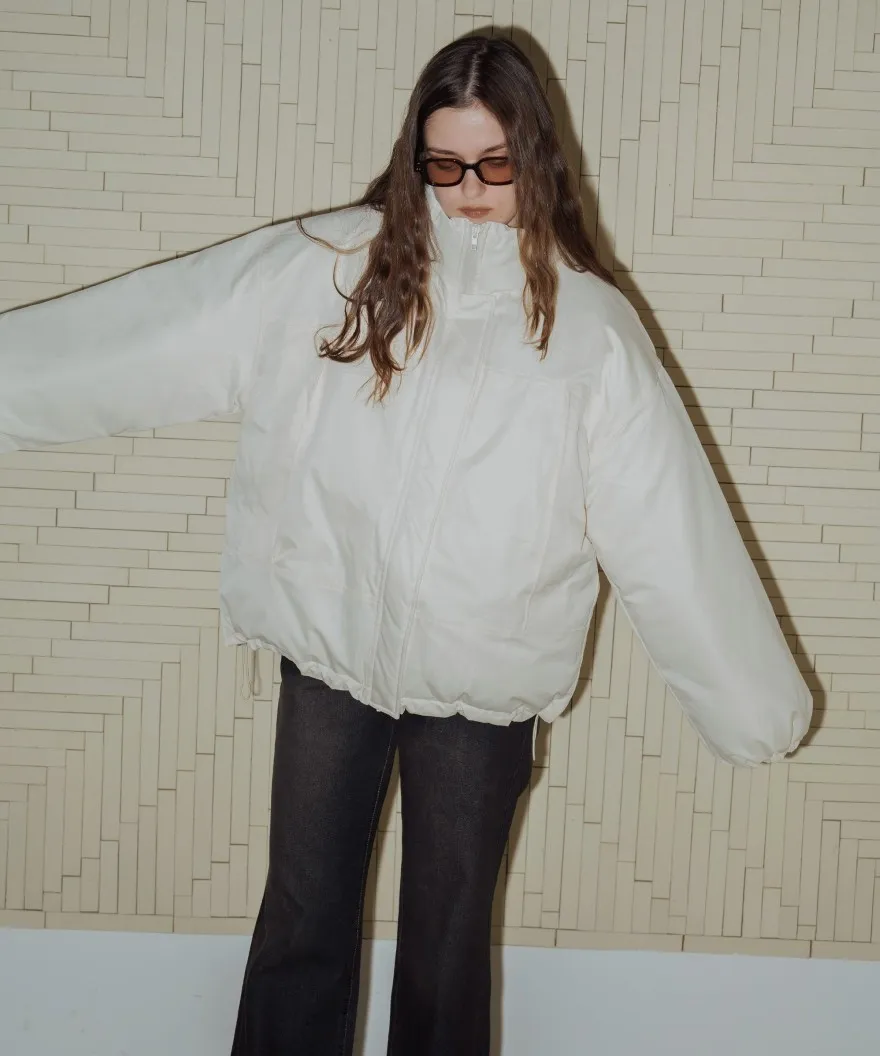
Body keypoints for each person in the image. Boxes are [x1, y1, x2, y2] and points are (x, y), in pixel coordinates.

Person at [0, 33, 812, 1056]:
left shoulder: (590, 333)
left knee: (446, 947)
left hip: (482, 685)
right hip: (331, 655)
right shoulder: (329, 269)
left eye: (494, 166)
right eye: (444, 164)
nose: (468, 192)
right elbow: (150, 333)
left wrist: (751, 707)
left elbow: (669, 527)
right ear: (413, 157)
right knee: (301, 920)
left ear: (535, 158)